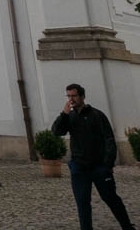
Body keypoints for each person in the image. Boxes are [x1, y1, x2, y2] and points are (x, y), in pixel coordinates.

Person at [52, 83, 136, 230]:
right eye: (69, 96)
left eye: (74, 96)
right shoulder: (69, 117)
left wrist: (107, 165)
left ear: (82, 96)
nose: (71, 99)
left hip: (99, 167)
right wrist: (64, 114)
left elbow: (109, 139)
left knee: (111, 199)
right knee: (82, 202)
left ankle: (127, 226)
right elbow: (57, 131)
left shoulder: (97, 115)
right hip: (79, 167)